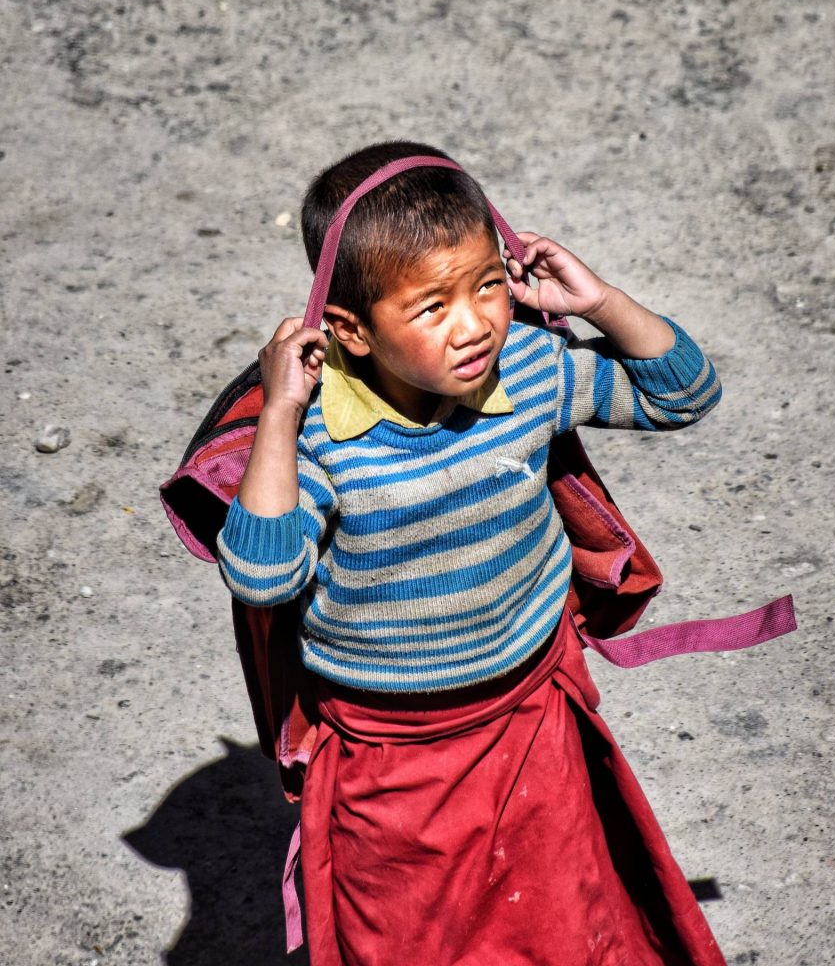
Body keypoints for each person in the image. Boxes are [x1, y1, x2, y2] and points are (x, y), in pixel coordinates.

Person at [215, 140, 728, 965]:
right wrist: (278, 414)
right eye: (431, 307)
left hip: (533, 717)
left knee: (558, 923)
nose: (475, 324)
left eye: (487, 284)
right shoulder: (322, 444)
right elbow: (260, 573)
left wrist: (599, 302)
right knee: (418, 942)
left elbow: (684, 393)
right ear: (348, 330)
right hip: (394, 761)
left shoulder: (525, 372)